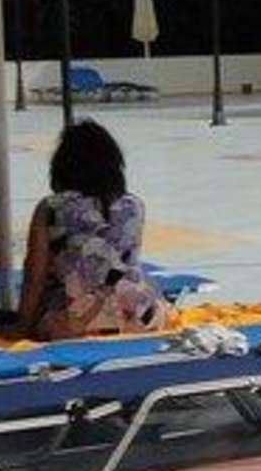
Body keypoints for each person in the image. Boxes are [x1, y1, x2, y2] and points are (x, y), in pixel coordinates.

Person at [16, 120, 175, 341]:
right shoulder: (134, 205)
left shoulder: (51, 208)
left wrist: (21, 328)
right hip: (140, 316)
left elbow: (35, 276)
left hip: (74, 320)